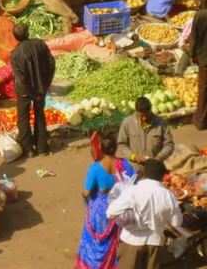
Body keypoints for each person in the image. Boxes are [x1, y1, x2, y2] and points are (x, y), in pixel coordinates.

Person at [107, 159, 182, 269]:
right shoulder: (168, 195)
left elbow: (110, 212)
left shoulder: (132, 191)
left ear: (144, 174)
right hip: (155, 243)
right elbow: (176, 223)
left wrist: (132, 219)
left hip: (131, 242)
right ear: (162, 176)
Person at [75, 135, 136, 269]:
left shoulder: (96, 168)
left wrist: (88, 201)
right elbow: (133, 185)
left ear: (101, 149)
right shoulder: (125, 164)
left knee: (95, 242)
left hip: (100, 212)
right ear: (116, 148)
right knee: (115, 241)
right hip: (120, 209)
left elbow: (86, 192)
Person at [10, 24, 55, 157]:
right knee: (39, 114)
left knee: (23, 117)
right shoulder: (40, 44)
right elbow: (51, 63)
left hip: (24, 90)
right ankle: (42, 148)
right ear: (28, 33)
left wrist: (25, 90)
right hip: (41, 87)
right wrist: (46, 82)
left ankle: (28, 149)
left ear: (15, 37)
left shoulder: (15, 54)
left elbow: (20, 77)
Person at [117, 97, 175, 170]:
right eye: (141, 116)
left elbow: (169, 145)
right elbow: (121, 145)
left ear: (150, 110)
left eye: (146, 115)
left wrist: (158, 158)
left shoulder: (161, 123)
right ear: (136, 112)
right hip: (134, 169)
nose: (144, 118)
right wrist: (133, 156)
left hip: (155, 168)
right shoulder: (127, 123)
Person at [188, 10, 207, 129]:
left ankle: (200, 121)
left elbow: (194, 37)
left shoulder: (200, 15)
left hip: (204, 59)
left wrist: (192, 55)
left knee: (204, 89)